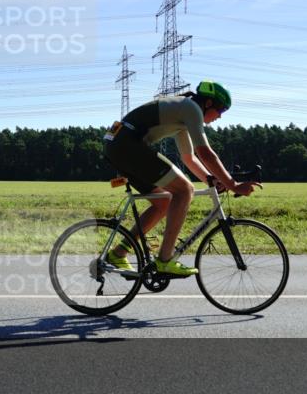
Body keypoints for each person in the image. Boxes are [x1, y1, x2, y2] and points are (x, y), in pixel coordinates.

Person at [102, 80, 260, 276]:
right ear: (209, 103)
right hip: (126, 144)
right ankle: (165, 260)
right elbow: (206, 153)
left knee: (164, 201)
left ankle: (118, 254)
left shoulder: (183, 112)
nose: (220, 117)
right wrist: (233, 184)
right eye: (221, 110)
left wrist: (210, 179)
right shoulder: (191, 108)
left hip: (117, 144)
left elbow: (189, 157)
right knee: (185, 190)